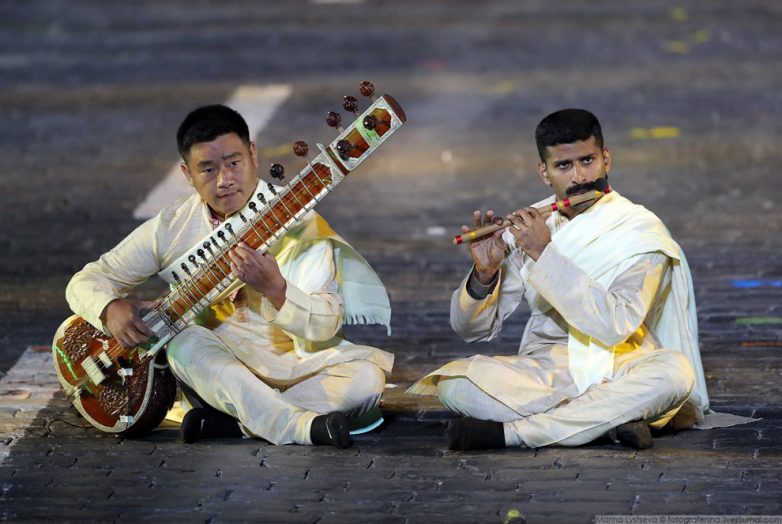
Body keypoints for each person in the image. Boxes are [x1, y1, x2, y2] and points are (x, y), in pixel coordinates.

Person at [66, 104, 394, 448]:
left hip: (294, 366)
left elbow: (325, 326)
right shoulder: (172, 227)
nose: (224, 180)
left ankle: (238, 424)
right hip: (217, 368)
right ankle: (301, 428)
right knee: (183, 344)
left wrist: (276, 289)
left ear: (253, 155)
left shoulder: (299, 224)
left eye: (234, 163)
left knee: (366, 379)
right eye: (207, 170)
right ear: (187, 174)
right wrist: (108, 308)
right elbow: (86, 281)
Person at [408, 108, 708, 451]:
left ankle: (514, 433)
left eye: (587, 161)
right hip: (547, 370)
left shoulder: (640, 231)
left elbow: (614, 326)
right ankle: (608, 420)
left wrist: (544, 253)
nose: (579, 177)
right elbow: (470, 330)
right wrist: (484, 274)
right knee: (455, 385)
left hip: (622, 365)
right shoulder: (530, 227)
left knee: (673, 374)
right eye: (564, 166)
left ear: (606, 159)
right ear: (544, 172)